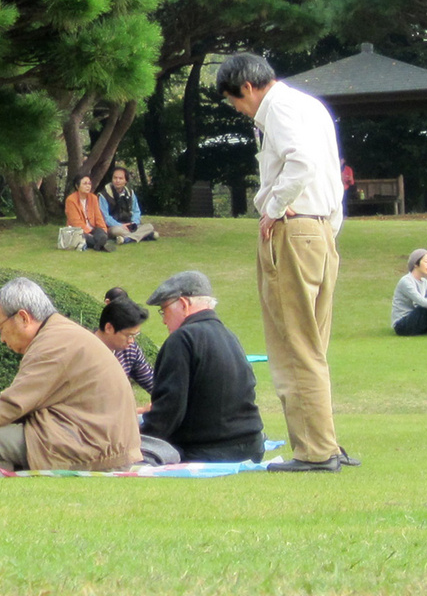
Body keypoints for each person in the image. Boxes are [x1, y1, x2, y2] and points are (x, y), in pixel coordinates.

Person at [217, 52, 352, 473]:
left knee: (292, 344)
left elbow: (301, 164)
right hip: (321, 230)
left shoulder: (278, 109)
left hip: (294, 230)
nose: (238, 110)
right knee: (312, 345)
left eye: (234, 101)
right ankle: (324, 441)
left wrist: (274, 207)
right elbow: (328, 170)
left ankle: (315, 451)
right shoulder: (310, 105)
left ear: (247, 88)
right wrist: (326, 226)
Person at [0, 278, 141, 471]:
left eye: (0, 327)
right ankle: (2, 462)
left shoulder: (52, 345)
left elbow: (13, 404)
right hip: (103, 438)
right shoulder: (60, 333)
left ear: (23, 318)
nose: (1, 338)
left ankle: (0, 462)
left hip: (97, 447)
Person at [139, 271, 266, 463]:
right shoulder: (230, 336)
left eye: (164, 310)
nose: (164, 320)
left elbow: (169, 409)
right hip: (251, 445)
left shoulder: (182, 339)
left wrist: (138, 440)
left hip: (208, 449)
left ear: (183, 304)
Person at [93, 296, 154, 394]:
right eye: (129, 335)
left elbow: (152, 382)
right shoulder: (85, 352)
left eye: (135, 335)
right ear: (109, 328)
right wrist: (139, 410)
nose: (131, 341)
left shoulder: (130, 349)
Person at [99, 167, 157, 243]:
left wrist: (133, 223)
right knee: (116, 231)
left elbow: (136, 211)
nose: (117, 180)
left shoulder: (130, 193)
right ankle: (143, 236)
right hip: (114, 227)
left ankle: (127, 239)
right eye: (115, 178)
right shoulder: (104, 195)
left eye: (120, 178)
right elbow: (105, 217)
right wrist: (121, 225)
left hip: (130, 225)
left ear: (126, 180)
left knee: (149, 226)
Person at [64, 174, 114, 252]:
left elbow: (98, 217)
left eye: (89, 184)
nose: (88, 186)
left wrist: (104, 230)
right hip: (78, 230)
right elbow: (75, 222)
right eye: (85, 184)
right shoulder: (71, 200)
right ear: (77, 186)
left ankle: (99, 242)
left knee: (101, 233)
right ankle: (100, 245)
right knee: (85, 237)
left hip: (93, 229)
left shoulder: (93, 198)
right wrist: (89, 232)